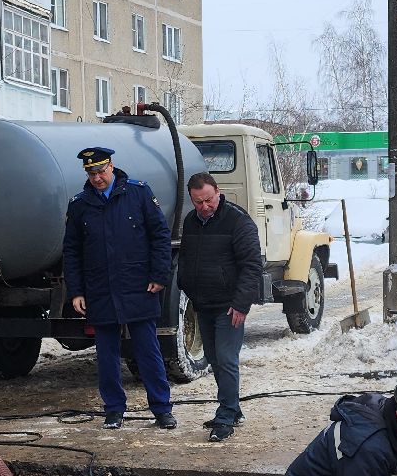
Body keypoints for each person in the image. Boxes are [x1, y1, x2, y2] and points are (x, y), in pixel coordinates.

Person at [63, 146, 176, 430]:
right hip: (100, 289)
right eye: (91, 173)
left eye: (101, 171)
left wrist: (159, 275)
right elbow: (72, 251)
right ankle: (113, 409)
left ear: (111, 166)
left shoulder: (138, 193)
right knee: (106, 356)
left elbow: (160, 236)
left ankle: (162, 408)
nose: (97, 178)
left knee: (148, 351)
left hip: (138, 285)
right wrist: (76, 291)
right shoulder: (79, 205)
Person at [177, 171, 262, 442]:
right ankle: (233, 408)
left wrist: (241, 304)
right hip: (203, 304)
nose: (204, 207)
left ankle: (225, 416)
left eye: (209, 200)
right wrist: (186, 286)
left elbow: (252, 266)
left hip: (229, 306)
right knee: (214, 359)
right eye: (198, 202)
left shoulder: (238, 221)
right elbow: (186, 258)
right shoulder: (191, 221)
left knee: (226, 359)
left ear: (218, 192)